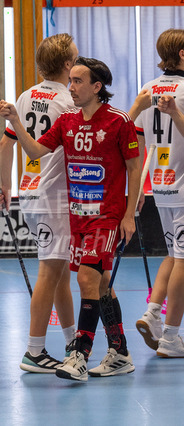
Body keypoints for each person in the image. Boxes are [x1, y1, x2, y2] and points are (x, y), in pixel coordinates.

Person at [1, 56, 141, 381]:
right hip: (77, 216)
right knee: (102, 283)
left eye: (78, 81)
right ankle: (120, 352)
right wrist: (16, 121)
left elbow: (134, 167)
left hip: (106, 216)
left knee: (86, 280)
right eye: (71, 80)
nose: (71, 86)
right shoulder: (66, 121)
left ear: (97, 86)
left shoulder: (118, 121)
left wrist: (129, 214)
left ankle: (79, 356)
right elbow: (35, 151)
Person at [0, 33, 78, 373]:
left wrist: (5, 187)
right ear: (67, 64)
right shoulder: (69, 101)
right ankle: (34, 350)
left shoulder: (26, 95)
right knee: (50, 271)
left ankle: (73, 342)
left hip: (30, 191)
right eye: (76, 59)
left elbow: (6, 144)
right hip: (55, 196)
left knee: (58, 272)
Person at [134, 28, 184, 357]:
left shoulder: (148, 88)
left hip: (161, 185)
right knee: (183, 260)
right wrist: (176, 112)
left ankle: (152, 313)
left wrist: (139, 184)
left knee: (174, 254)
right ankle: (171, 336)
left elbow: (136, 140)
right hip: (182, 184)